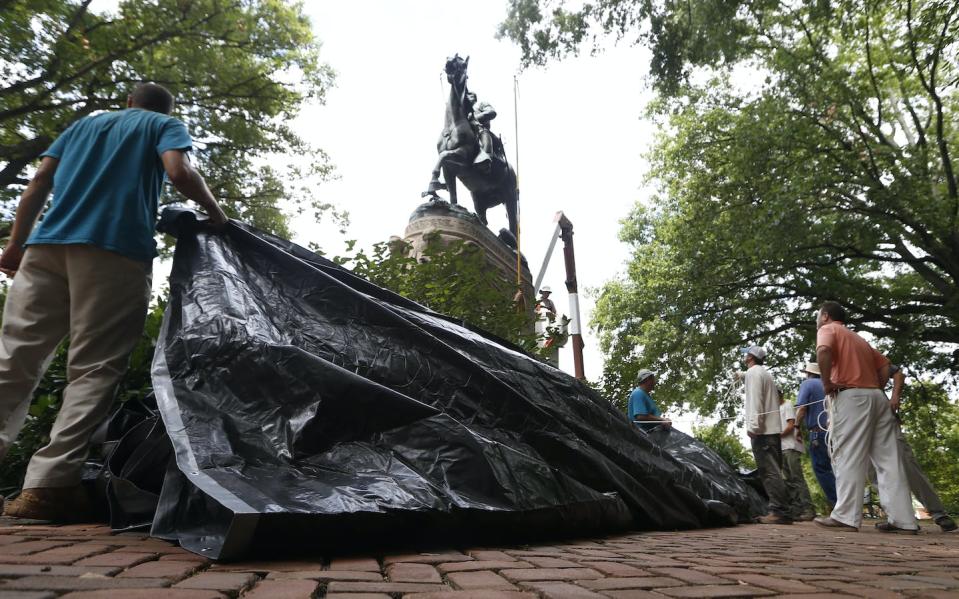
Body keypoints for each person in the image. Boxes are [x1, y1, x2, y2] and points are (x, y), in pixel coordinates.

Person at [0, 82, 229, 522]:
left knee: (13, 361)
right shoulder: (165, 125)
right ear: (166, 110)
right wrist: (216, 216)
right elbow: (179, 172)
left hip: (45, 249)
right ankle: (47, 489)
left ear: (127, 102)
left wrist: (15, 247)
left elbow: (38, 185)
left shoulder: (82, 128)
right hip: (115, 251)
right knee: (93, 368)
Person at [812, 301, 918, 534]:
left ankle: (846, 517)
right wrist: (874, 387)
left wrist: (827, 383)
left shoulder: (828, 330)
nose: (817, 320)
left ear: (826, 315)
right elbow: (886, 366)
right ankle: (904, 520)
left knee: (847, 453)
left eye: (818, 315)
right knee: (889, 460)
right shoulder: (858, 338)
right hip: (876, 397)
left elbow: (823, 351)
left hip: (852, 397)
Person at [865, 364, 957, 532]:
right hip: (860, 426)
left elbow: (898, 373)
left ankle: (938, 513)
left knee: (908, 466)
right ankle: (898, 517)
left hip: (884, 421)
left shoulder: (864, 356)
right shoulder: (832, 374)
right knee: (873, 473)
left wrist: (895, 396)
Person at [742, 345, 792, 524]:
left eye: (746, 355)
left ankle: (779, 511)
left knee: (770, 472)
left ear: (750, 358)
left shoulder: (753, 373)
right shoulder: (763, 373)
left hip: (762, 432)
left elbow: (756, 399)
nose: (744, 357)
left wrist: (754, 426)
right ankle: (782, 510)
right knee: (774, 471)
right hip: (771, 431)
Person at [795, 362, 837, 507]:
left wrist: (796, 427)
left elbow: (801, 408)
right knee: (837, 469)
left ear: (808, 373)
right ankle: (846, 505)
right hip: (836, 432)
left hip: (818, 433)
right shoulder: (830, 385)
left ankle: (837, 504)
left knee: (822, 468)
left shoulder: (808, 384)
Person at [779, 388, 816, 520]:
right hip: (782, 448)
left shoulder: (787, 405)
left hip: (791, 446)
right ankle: (797, 509)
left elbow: (790, 426)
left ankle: (808, 509)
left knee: (796, 478)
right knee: (788, 480)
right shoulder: (775, 409)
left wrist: (776, 437)